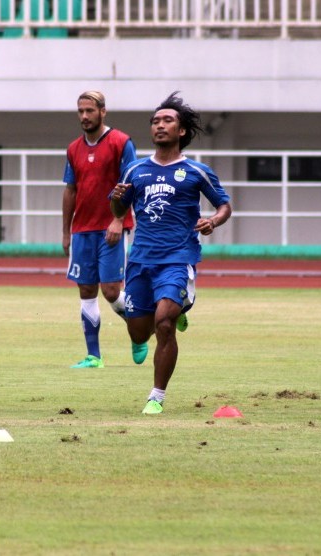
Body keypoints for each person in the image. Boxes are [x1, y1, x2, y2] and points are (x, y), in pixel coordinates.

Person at [110, 92, 232, 414]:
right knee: (139, 330)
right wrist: (116, 200)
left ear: (181, 131)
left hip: (178, 257)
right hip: (139, 260)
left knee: (164, 323)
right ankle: (177, 306)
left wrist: (213, 222)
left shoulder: (195, 171)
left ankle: (156, 397)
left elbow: (224, 205)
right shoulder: (135, 171)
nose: (160, 125)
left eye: (167, 121)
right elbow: (118, 208)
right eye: (155, 121)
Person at [62, 91, 145, 369]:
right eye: (80, 111)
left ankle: (139, 331)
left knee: (111, 291)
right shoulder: (73, 148)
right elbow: (70, 190)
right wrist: (66, 231)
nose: (84, 116)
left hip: (111, 228)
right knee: (86, 290)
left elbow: (130, 184)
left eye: (90, 111)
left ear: (103, 111)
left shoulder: (121, 142)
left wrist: (118, 220)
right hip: (81, 230)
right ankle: (93, 356)